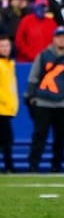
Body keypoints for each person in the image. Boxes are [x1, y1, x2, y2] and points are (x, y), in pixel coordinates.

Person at [24, 26, 64, 173]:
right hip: (43, 100)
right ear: (54, 38)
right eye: (59, 36)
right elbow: (34, 76)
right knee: (40, 134)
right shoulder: (44, 55)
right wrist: (31, 95)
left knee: (60, 137)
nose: (61, 39)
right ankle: (33, 164)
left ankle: (56, 165)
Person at [0, 35, 17, 173]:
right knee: (6, 140)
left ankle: (8, 166)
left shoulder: (9, 64)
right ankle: (9, 166)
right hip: (1, 108)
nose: (5, 48)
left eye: (7, 45)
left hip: (7, 109)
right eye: (2, 46)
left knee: (7, 140)